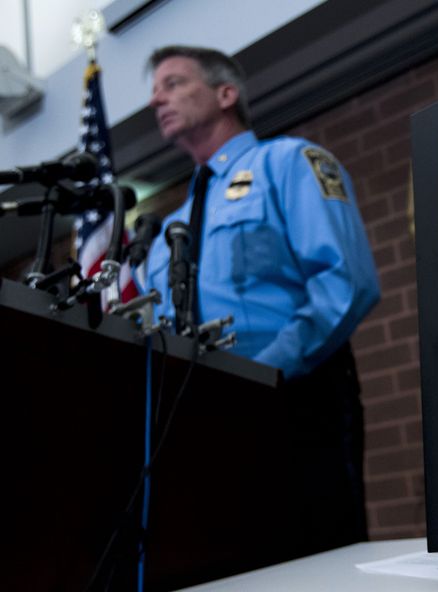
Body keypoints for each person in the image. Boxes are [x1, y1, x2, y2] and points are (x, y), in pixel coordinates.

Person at [143, 46, 379, 547]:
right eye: (155, 89)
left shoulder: (289, 162)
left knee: (312, 562)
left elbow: (346, 281)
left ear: (226, 93)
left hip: (292, 398)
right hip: (199, 421)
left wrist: (260, 376)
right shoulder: (171, 227)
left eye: (173, 83)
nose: (155, 99)